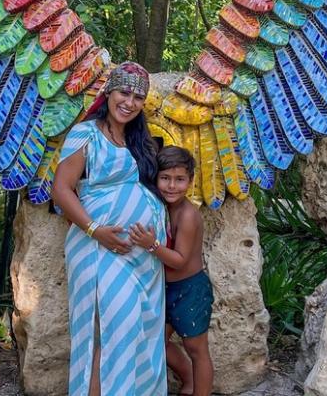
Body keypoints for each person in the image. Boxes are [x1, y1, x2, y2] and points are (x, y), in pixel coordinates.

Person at [51, 62, 168, 396]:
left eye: (138, 97)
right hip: (98, 248)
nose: (129, 102)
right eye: (124, 92)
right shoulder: (86, 133)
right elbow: (61, 189)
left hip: (141, 259)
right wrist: (96, 229)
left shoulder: (138, 140)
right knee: (110, 330)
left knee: (133, 331)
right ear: (109, 93)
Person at [128, 146, 214, 396]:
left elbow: (179, 260)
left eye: (179, 180)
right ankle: (187, 378)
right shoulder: (160, 208)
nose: (171, 186)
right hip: (163, 287)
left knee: (196, 348)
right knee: (156, 341)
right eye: (165, 178)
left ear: (190, 181)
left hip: (190, 289)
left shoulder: (187, 215)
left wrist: (151, 245)